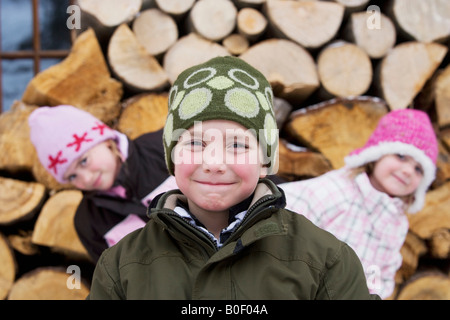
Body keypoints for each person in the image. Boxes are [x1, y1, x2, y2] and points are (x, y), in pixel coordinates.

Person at [87, 56, 377, 300]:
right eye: (196, 144)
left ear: (264, 162)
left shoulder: (326, 261)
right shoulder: (121, 266)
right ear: (173, 158)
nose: (213, 163)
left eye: (237, 145)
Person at [280, 108, 438, 299]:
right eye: (401, 156)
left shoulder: (396, 224)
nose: (407, 171)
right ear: (377, 154)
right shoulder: (337, 191)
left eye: (418, 168)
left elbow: (382, 273)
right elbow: (286, 212)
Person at [28, 105, 178, 262]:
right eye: (72, 176)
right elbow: (114, 281)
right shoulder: (89, 221)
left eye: (84, 161)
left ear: (105, 141)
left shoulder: (163, 149)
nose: (85, 179)